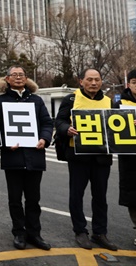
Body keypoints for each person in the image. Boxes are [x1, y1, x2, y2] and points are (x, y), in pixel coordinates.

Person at [55, 68, 117, 251]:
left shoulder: (109, 102)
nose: (94, 83)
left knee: (100, 196)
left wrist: (132, 124)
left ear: (101, 82)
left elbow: (119, 123)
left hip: (102, 157)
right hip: (78, 156)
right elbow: (59, 121)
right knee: (77, 194)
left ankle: (100, 232)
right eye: (89, 79)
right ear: (80, 81)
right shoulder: (71, 100)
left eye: (97, 79)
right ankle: (80, 231)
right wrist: (67, 129)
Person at [0, 66, 53, 251]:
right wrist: (4, 143)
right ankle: (19, 232)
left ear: (26, 79)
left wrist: (44, 138)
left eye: (22, 75)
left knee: (33, 199)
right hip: (13, 158)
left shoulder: (36, 100)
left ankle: (34, 233)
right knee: (15, 199)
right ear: (7, 79)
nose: (18, 78)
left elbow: (47, 122)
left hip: (34, 156)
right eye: (14, 75)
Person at [114, 68, 136, 248]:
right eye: (135, 82)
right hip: (132, 158)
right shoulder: (120, 106)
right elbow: (112, 130)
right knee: (135, 196)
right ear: (129, 85)